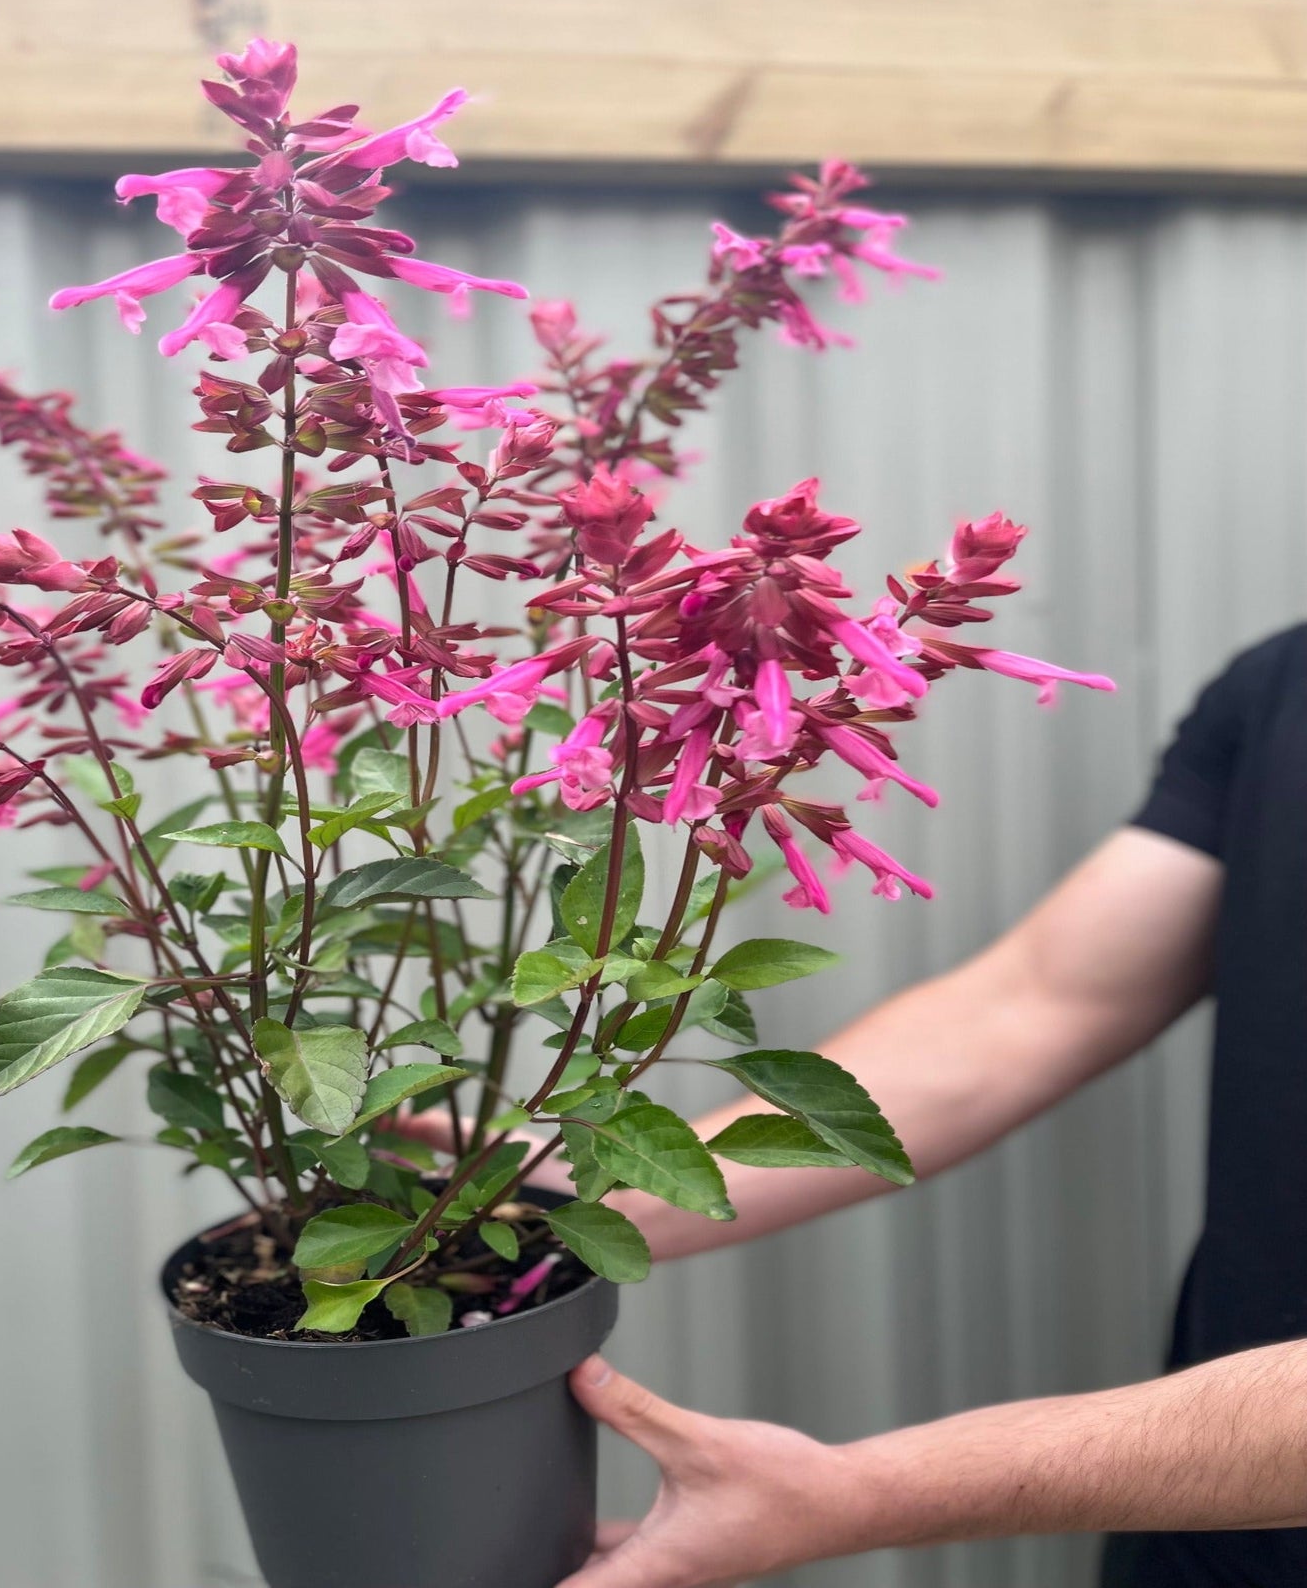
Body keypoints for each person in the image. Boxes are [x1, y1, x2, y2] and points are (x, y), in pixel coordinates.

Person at [532, 623, 1307, 1587]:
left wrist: (854, 1493)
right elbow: (1036, 1006)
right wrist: (558, 1189)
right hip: (1204, 1536)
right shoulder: (1283, 680)